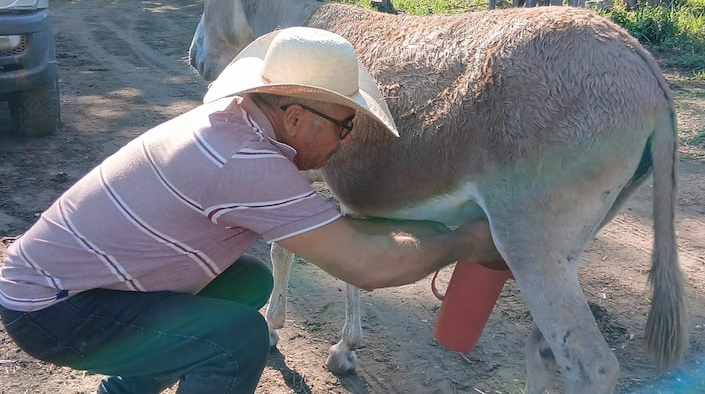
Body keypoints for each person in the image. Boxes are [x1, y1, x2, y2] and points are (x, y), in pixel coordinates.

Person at [0, 27, 499, 394]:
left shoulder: (232, 127)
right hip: (52, 311)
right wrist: (469, 241)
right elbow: (362, 264)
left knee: (248, 281)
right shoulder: (245, 161)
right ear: (298, 116)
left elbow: (338, 232)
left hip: (62, 288)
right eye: (344, 126)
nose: (346, 141)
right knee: (237, 339)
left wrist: (435, 228)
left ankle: (125, 390)